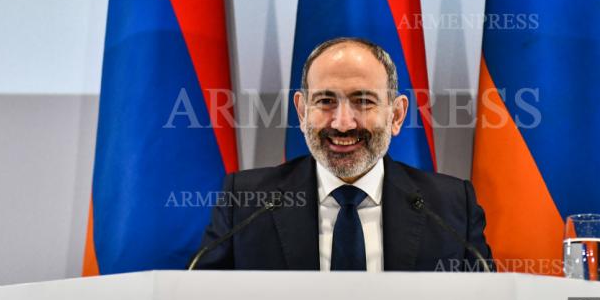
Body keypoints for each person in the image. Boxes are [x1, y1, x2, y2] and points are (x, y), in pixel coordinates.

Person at [194, 37, 493, 271]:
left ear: (396, 115)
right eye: (325, 101)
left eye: (363, 101)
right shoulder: (247, 203)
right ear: (301, 112)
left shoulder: (450, 207)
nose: (343, 123)